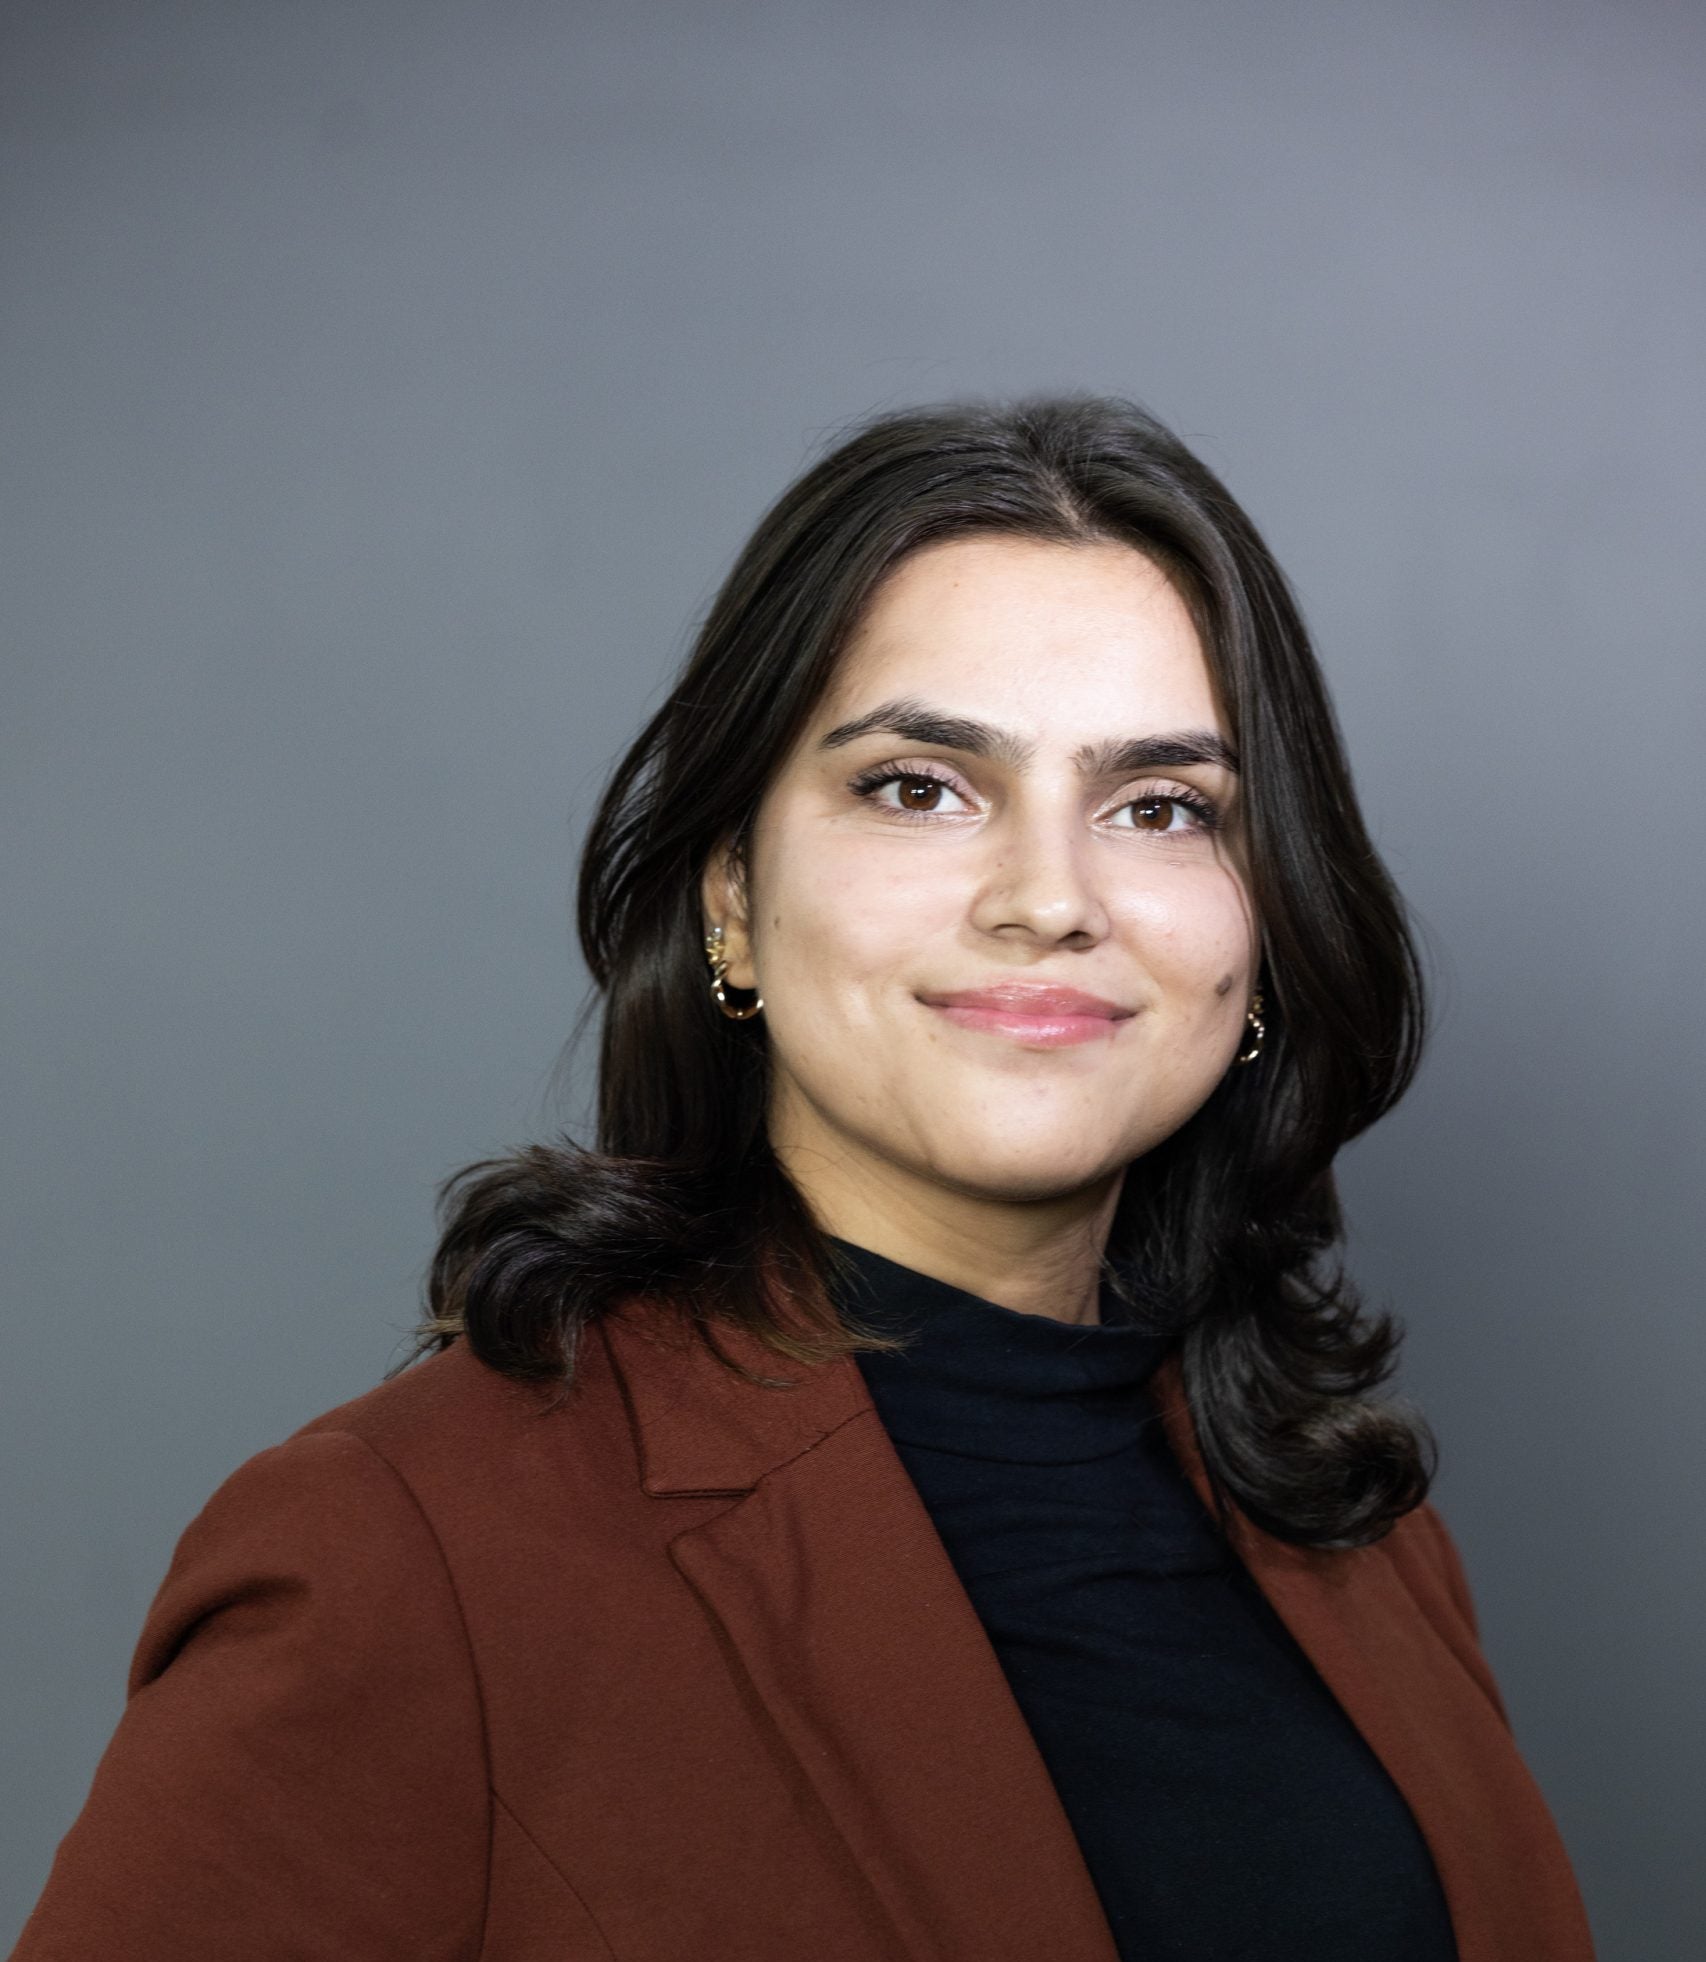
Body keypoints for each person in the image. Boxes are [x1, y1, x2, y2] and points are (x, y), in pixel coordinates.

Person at [14, 396, 1595, 1961]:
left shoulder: (1355, 1535)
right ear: (731, 899)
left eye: (1161, 807)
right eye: (919, 784)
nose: (1049, 897)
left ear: (1260, 931)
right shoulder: (404, 1550)